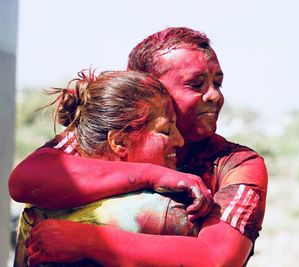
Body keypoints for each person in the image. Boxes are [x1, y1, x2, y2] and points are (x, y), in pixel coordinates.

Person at [10, 27, 268, 266]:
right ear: (147, 88)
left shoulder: (236, 163)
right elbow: (24, 181)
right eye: (196, 84)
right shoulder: (113, 134)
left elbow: (217, 259)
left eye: (217, 83)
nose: (215, 95)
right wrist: (154, 175)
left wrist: (84, 240)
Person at [14, 69, 208, 266]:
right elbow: (20, 179)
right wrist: (153, 174)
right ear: (120, 142)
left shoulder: (44, 200)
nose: (180, 141)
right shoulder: (166, 211)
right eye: (165, 131)